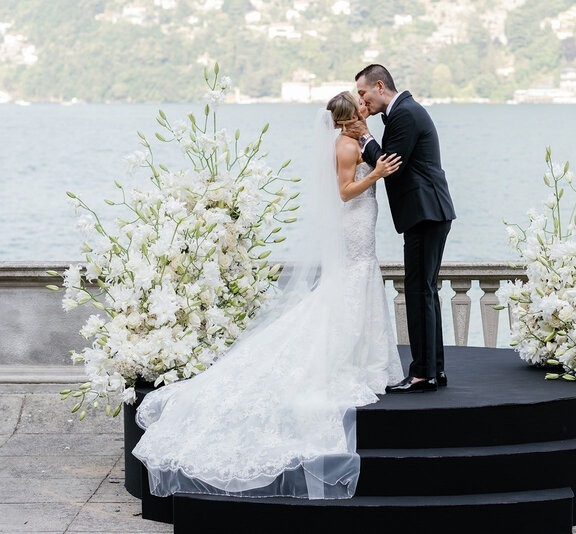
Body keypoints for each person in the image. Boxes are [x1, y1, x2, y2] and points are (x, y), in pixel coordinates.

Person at [131, 92, 404, 499]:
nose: (367, 109)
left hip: (362, 222)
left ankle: (364, 355)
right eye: (361, 107)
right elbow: (346, 192)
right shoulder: (346, 146)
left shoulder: (353, 139)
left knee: (357, 281)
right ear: (349, 118)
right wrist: (376, 175)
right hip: (354, 220)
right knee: (353, 281)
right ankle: (349, 355)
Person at [346, 64, 456, 393]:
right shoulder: (403, 112)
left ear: (380, 86)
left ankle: (423, 373)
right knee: (425, 290)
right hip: (429, 211)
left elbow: (389, 166)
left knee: (418, 291)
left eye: (363, 93)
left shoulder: (405, 114)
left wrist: (363, 135)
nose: (361, 99)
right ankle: (433, 369)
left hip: (425, 213)